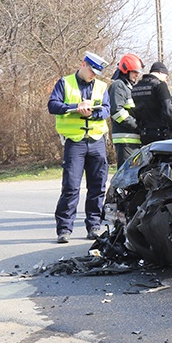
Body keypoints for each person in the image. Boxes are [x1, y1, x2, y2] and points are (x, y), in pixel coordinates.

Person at [48, 51, 111, 244]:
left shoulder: (101, 86)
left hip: (96, 140)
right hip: (75, 142)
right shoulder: (65, 83)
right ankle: (64, 229)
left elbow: (107, 109)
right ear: (83, 64)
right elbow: (53, 105)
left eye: (96, 73)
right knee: (71, 186)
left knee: (98, 186)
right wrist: (76, 107)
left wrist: (92, 115)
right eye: (91, 70)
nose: (93, 75)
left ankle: (94, 226)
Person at [131, 61, 172, 145]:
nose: (166, 79)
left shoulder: (136, 87)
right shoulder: (160, 85)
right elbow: (168, 108)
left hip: (143, 134)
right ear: (160, 72)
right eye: (166, 76)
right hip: (160, 134)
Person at [109, 53, 144, 168]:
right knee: (127, 175)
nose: (137, 75)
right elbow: (117, 112)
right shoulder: (118, 86)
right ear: (126, 71)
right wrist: (137, 125)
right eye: (134, 72)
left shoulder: (129, 86)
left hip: (133, 139)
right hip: (125, 139)